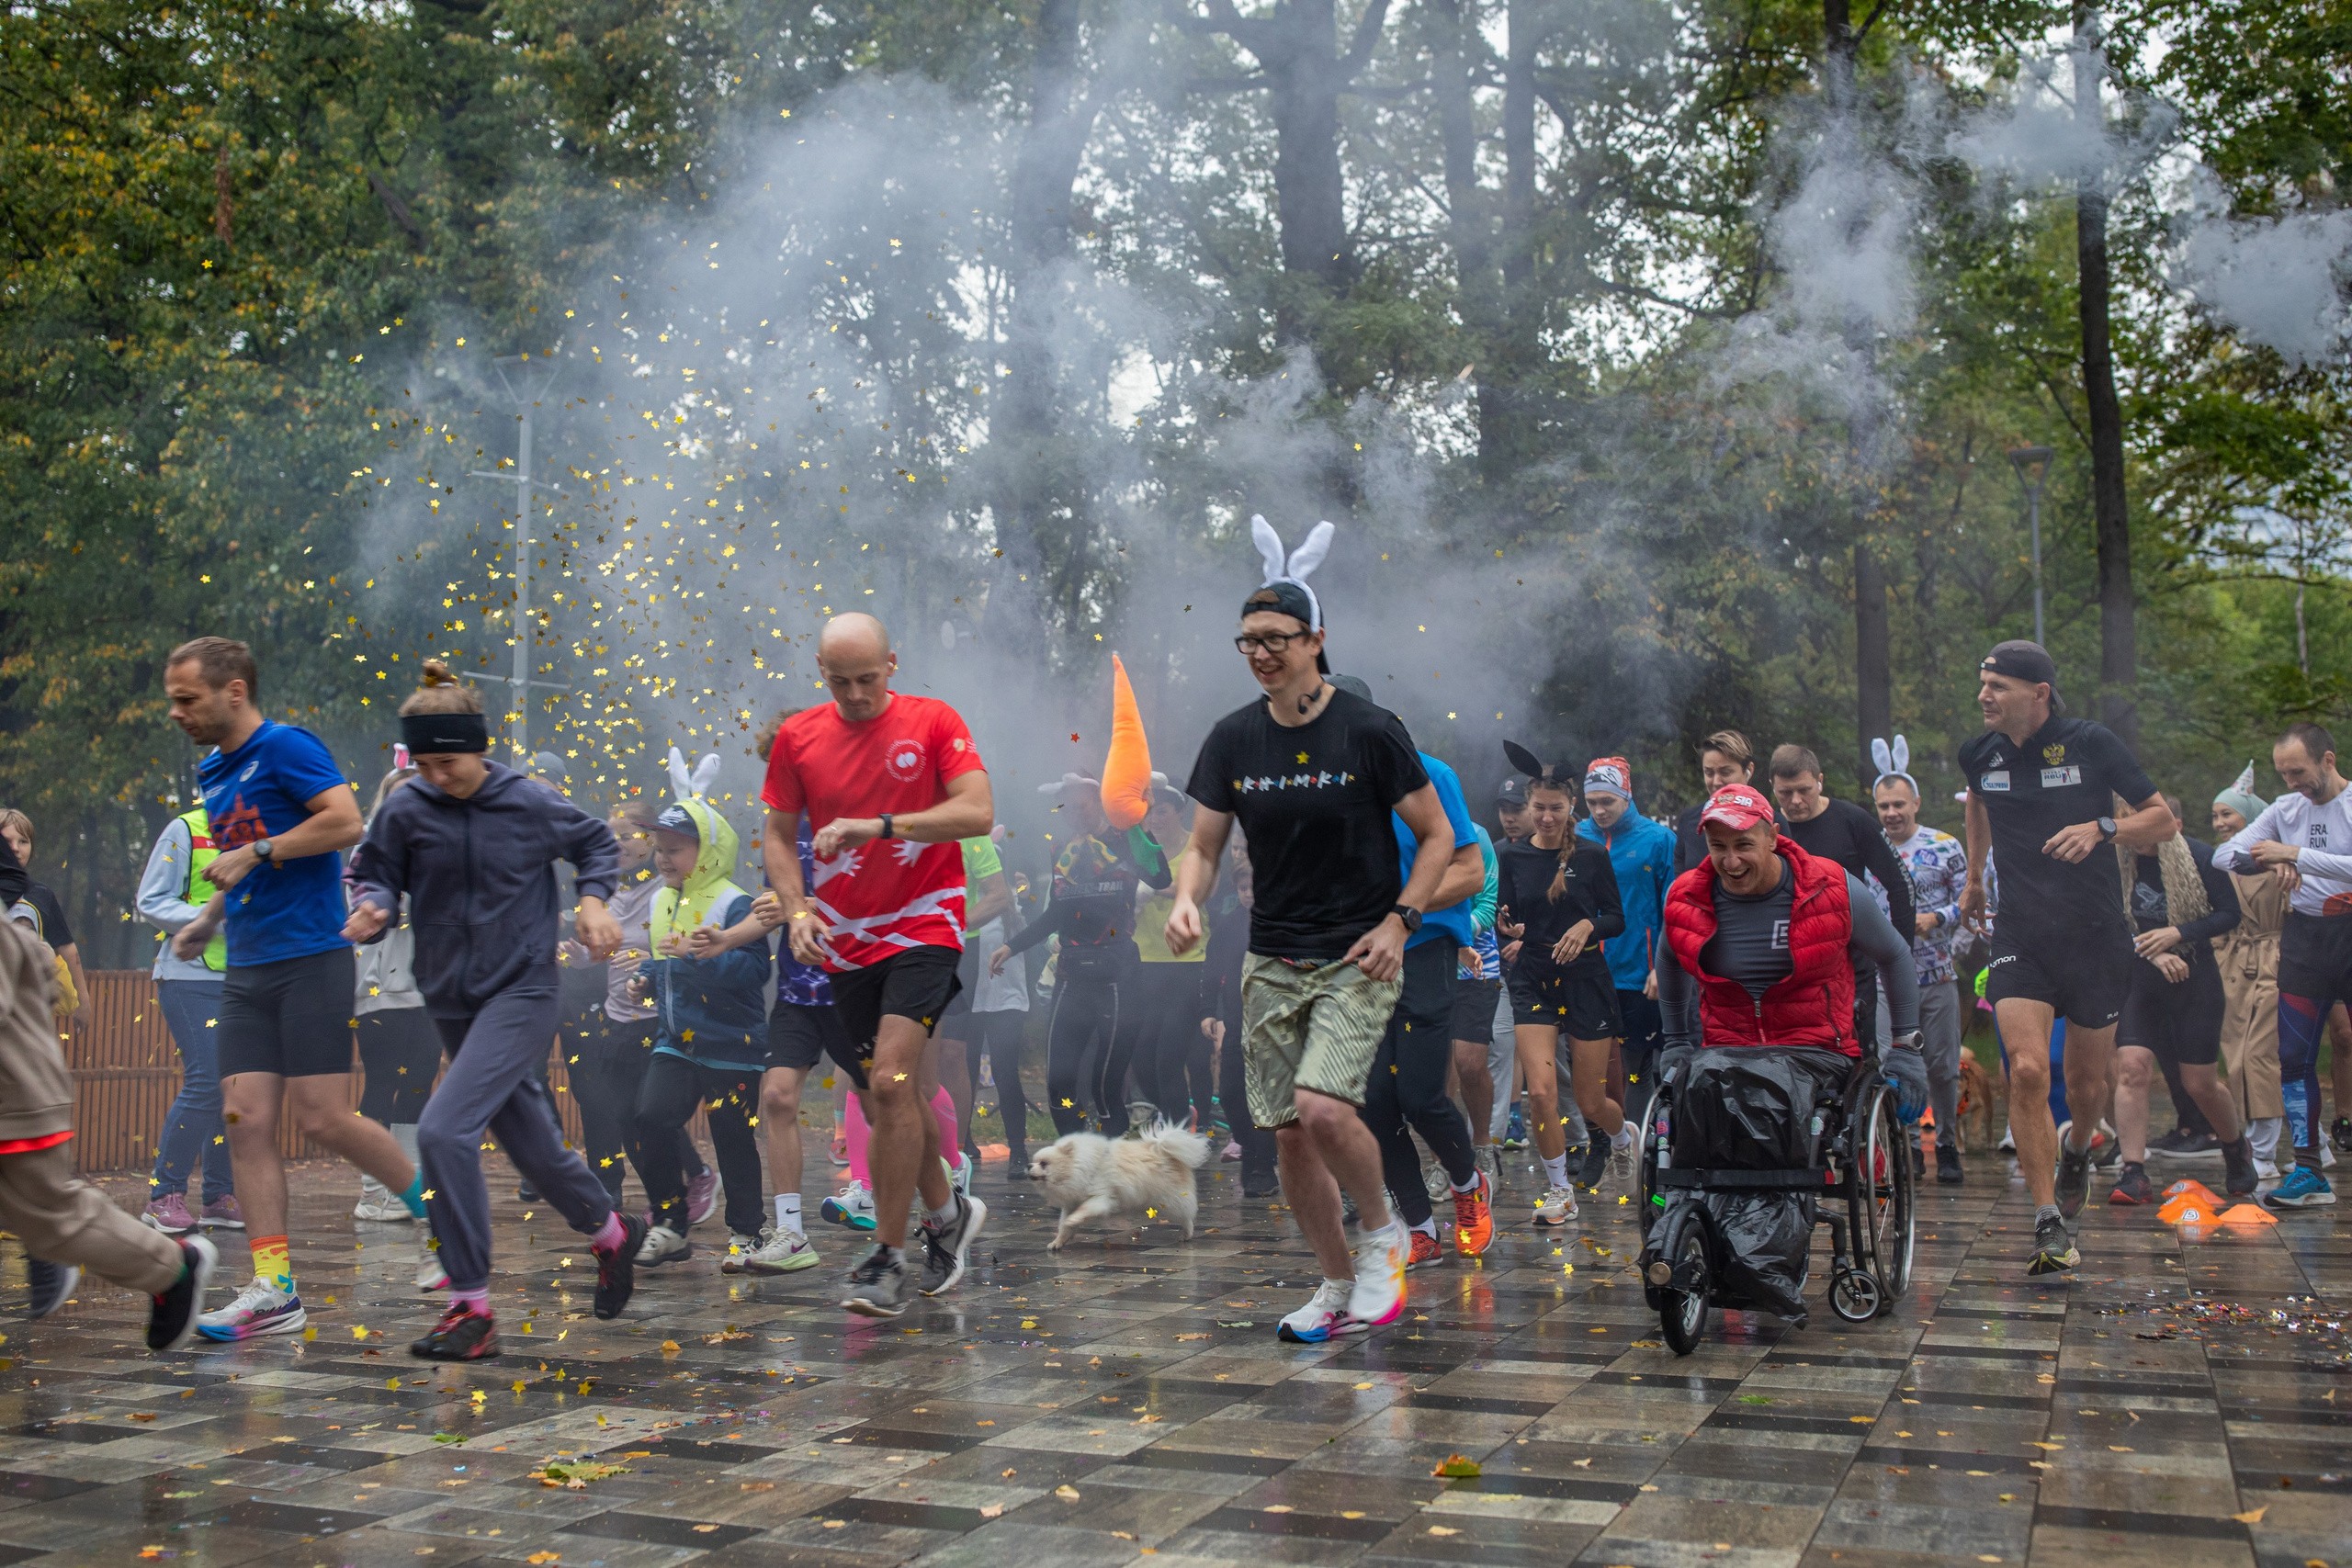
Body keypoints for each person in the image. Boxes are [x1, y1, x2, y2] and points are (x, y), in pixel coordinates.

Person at [1163, 516, 1453, 1343]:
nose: (1260, 653)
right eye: (1248, 640)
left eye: (1277, 639)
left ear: (1315, 640)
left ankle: (1383, 1233)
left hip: (1359, 954)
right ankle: (1333, 1282)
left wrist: (1402, 920)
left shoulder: (1367, 728)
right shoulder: (1232, 738)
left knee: (1323, 1110)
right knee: (1288, 1135)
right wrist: (1189, 897)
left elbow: (1437, 838)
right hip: (1272, 961)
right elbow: (1204, 844)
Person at [346, 663, 650, 1358]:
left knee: (446, 1130)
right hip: (450, 995)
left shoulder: (528, 801)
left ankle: (470, 1306)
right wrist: (375, 904)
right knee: (535, 1150)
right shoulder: (406, 806)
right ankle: (612, 1233)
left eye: (447, 761)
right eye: (422, 764)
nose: (435, 775)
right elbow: (376, 869)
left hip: (522, 989)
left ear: (480, 747)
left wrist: (595, 900)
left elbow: (595, 843)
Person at [162, 637, 434, 1340]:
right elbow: (242, 861)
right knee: (243, 1118)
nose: (176, 711)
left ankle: (444, 1215)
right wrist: (207, 918)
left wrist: (254, 850)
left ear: (234, 691)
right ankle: (274, 1288)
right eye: (173, 699)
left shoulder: (286, 746)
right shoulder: (213, 771)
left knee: (323, 1118)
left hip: (313, 957)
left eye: (187, 698)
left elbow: (344, 821)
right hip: (247, 965)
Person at [761, 612, 993, 1319]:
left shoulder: (933, 721)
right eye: (841, 682)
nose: (857, 694)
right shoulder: (800, 738)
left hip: (926, 920)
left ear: (893, 664)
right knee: (887, 1096)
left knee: (892, 1078)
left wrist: (880, 825)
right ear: (820, 676)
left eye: (868, 679)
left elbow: (978, 811)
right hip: (845, 938)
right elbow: (774, 830)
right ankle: (949, 1209)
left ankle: (887, 1256)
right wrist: (798, 909)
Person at [1959, 639, 2177, 1272]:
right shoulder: (1980, 752)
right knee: (2026, 1070)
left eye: (1997, 685)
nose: (1984, 696)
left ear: (2039, 693)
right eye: (1982, 683)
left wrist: (2103, 827)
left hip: (2095, 934)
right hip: (2021, 935)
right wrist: (1975, 875)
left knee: (2086, 1084)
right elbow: (1977, 800)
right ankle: (2048, 1219)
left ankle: (2080, 1143)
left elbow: (2162, 820)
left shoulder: (2089, 743)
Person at [1654, 783, 1928, 1175]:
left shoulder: (1831, 888)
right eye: (1718, 847)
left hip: (1814, 1052)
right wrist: (1677, 1041)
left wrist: (1905, 1047)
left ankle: (1772, 1219)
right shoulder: (1687, 898)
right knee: (1699, 1086)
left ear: (1772, 837)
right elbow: (1669, 959)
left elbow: (1895, 954)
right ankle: (1693, 1215)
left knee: (1772, 1088)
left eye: (1743, 845)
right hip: (1725, 1053)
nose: (1730, 862)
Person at [0, 897, 220, 1351]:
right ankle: (49, 1245)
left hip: (15, 1094)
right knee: (44, 1213)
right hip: (21, 1087)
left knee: (52, 1214)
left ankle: (171, 1267)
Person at [1328, 675, 1490, 1269]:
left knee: (1421, 1094)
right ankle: (1419, 1225)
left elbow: (1470, 874)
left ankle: (1469, 1184)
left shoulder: (1428, 775)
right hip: (1356, 961)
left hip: (1423, 951)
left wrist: (1401, 910)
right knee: (1372, 1101)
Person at [628, 787, 772, 1267]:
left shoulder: (736, 903)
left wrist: (696, 960)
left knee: (732, 1137)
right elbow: (661, 961)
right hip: (676, 1042)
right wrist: (644, 980)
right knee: (649, 1118)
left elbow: (755, 972)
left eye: (675, 850)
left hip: (732, 1045)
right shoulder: (661, 900)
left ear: (706, 851)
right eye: (660, 849)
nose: (663, 858)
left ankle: (748, 1233)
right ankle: (670, 1222)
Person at [2214, 721, 2352, 1208]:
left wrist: (2297, 854)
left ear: (2328, 761)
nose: (2291, 782)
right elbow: (2224, 855)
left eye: (2298, 772)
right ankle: (2310, 1173)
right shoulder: (2285, 809)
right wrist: (2269, 863)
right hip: (2307, 940)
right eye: (2283, 773)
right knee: (2292, 1059)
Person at [993, 777, 1167, 1136]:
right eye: (1067, 807)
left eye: (1081, 805)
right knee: (1059, 1084)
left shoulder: (1126, 840)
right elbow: (1056, 913)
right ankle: (1075, 1159)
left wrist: (1140, 827)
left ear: (1100, 802)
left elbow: (1161, 877)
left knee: (1105, 1088)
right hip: (1072, 975)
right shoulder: (1062, 849)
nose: (1073, 814)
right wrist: (1012, 946)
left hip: (1119, 975)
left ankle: (1110, 1167)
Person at [1498, 752, 1627, 1219]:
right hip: (1533, 978)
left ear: (1570, 807)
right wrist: (1508, 931)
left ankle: (1620, 1136)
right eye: (1539, 809)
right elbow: (1505, 915)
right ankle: (1559, 1192)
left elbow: (1617, 917)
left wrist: (1587, 926)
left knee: (1592, 1100)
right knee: (1542, 1092)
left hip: (1586, 979)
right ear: (1528, 808)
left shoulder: (1591, 854)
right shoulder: (1509, 853)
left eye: (1556, 809)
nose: (1547, 818)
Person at [2108, 794, 2254, 1204]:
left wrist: (2178, 933)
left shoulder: (2201, 856)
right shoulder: (2114, 862)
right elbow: (2106, 922)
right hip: (2139, 977)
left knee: (2199, 1084)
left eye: (2142, 827)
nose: (2135, 839)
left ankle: (2234, 1147)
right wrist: (2151, 950)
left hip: (2194, 976)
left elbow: (2229, 914)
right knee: (2132, 1069)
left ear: (2166, 823)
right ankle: (2133, 1171)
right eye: (2126, 828)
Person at [133, 804, 238, 1233]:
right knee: (206, 1078)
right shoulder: (187, 828)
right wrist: (210, 919)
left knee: (236, 1086)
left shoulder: (273, 832)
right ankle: (164, 1195)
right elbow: (150, 900)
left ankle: (218, 1195)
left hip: (249, 975)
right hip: (189, 974)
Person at [1770, 745, 1916, 1050]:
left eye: (1804, 790)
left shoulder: (1852, 820)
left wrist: (1900, 955)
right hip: (1784, 966)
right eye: (1785, 793)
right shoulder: (1767, 828)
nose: (1795, 801)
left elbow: (1900, 884)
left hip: (1850, 963)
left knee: (1858, 1055)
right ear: (1772, 786)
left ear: (1820, 781)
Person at [1871, 744, 1971, 1183]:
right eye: (1883, 806)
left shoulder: (1944, 846)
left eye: (1898, 804)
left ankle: (1946, 1144)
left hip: (1936, 974)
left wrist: (1939, 919)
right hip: (1884, 978)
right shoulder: (1869, 850)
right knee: (1888, 1061)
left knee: (1944, 1067)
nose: (1892, 813)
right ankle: (1906, 1145)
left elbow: (1972, 902)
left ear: (1916, 803)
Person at [351, 766, 443, 1223]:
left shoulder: (442, 845)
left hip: (428, 989)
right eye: (399, 795)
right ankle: (372, 1191)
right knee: (381, 1081)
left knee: (419, 1084)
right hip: (377, 989)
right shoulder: (366, 850)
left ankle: (409, 1187)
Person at [1576, 756, 1676, 1152]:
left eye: (1608, 802)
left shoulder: (1658, 839)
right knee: (1591, 1070)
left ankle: (1641, 1150)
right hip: (1587, 969)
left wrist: (1661, 966)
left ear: (1626, 795)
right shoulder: (1577, 836)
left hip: (1639, 973)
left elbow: (1674, 908)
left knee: (1636, 1065)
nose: (1599, 811)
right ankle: (1604, 1147)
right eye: (1592, 801)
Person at [2211, 771, 2289, 1179]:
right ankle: (2305, 1144)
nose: (2221, 823)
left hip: (2277, 962)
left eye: (2229, 815)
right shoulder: (2222, 866)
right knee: (2236, 1058)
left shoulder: (2283, 865)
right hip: (2233, 968)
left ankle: (2262, 1153)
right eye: (2215, 816)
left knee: (2259, 1056)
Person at [1135, 786, 1216, 1131]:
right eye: (1150, 812)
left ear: (1179, 811)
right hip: (1144, 961)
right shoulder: (1140, 849)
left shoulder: (1196, 847)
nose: (1155, 818)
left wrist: (1150, 889)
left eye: (1163, 811)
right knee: (1142, 1056)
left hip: (1189, 960)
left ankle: (1186, 1126)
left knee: (1184, 1057)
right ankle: (1178, 1116)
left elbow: (1195, 890)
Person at [937, 834, 1015, 1163]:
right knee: (910, 1056)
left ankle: (954, 1158)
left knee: (953, 1053)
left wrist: (951, 926)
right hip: (899, 944)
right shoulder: (896, 811)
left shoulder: (971, 832)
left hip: (957, 947)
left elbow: (999, 896)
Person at [1452, 820, 1505, 1196]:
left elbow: (1487, 905)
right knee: (1437, 1070)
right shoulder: (1403, 829)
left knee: (1469, 1064)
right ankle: (1445, 1159)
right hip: (1424, 967)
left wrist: (1449, 930)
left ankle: (1484, 1145)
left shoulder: (1476, 835)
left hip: (1477, 968)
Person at [0, 811, 85, 1015]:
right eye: (6, 841)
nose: (15, 848)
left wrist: (84, 1000)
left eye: (23, 842)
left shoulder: (41, 894)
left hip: (25, 1009)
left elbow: (66, 947)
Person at [1672, 730, 1764, 875]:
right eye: (1709, 773)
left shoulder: (1767, 819)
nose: (1716, 782)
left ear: (1749, 770)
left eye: (1725, 772)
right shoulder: (1689, 819)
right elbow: (1679, 882)